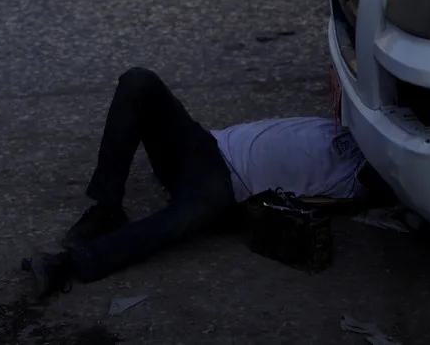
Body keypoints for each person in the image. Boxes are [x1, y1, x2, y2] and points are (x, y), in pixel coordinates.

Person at [23, 67, 391, 299]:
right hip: (203, 144)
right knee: (138, 81)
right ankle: (106, 208)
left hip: (227, 185)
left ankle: (68, 264)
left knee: (184, 215)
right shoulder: (356, 119)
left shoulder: (366, 177)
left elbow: (385, 185)